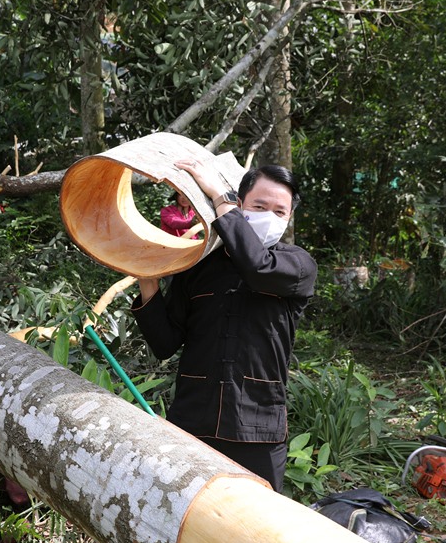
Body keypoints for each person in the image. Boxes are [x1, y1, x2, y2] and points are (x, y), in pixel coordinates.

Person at [131, 162, 316, 493]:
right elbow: (165, 343)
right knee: (179, 517)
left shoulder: (296, 266)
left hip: (258, 430)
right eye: (259, 206)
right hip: (191, 423)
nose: (269, 216)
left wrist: (218, 194)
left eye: (279, 211)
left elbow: (257, 267)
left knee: (257, 527)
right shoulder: (199, 266)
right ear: (242, 205)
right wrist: (148, 282)